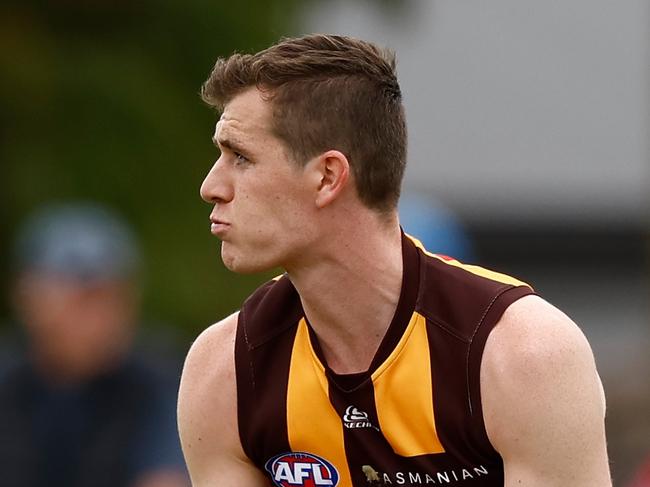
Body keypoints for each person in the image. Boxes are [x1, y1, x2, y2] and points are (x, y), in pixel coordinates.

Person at [177, 34, 611, 486]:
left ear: (327, 176)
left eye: (240, 157)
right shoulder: (223, 371)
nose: (211, 186)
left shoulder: (523, 354)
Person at [1, 203, 189, 487]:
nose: (99, 318)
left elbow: (166, 477)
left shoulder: (164, 380)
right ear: (27, 297)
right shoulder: (8, 381)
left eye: (112, 298)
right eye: (81, 299)